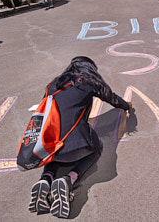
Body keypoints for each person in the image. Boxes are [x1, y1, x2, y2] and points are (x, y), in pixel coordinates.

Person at [28, 56, 132, 218]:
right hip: (77, 147)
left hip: (49, 145)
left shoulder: (53, 85)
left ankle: (46, 179)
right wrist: (126, 106)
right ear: (90, 69)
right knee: (96, 149)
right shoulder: (88, 81)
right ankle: (69, 179)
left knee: (54, 150)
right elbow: (111, 98)